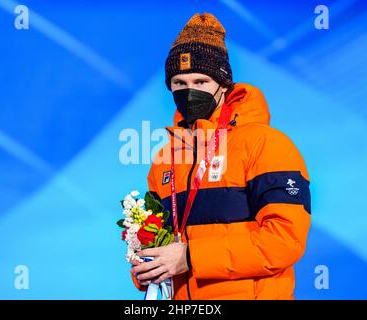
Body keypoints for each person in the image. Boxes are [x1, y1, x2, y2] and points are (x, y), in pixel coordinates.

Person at [129, 12, 311, 300]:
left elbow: (284, 241)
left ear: (224, 85)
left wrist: (191, 257)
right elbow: (161, 248)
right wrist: (146, 262)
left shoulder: (266, 144)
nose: (189, 91)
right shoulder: (165, 159)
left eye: (200, 81)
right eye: (178, 82)